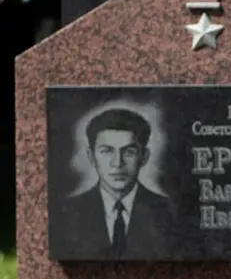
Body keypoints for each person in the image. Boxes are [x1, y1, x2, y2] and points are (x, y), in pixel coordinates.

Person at [61, 108, 175, 259]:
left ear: (144, 157)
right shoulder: (66, 212)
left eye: (129, 151)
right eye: (107, 151)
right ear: (92, 157)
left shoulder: (169, 212)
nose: (117, 163)